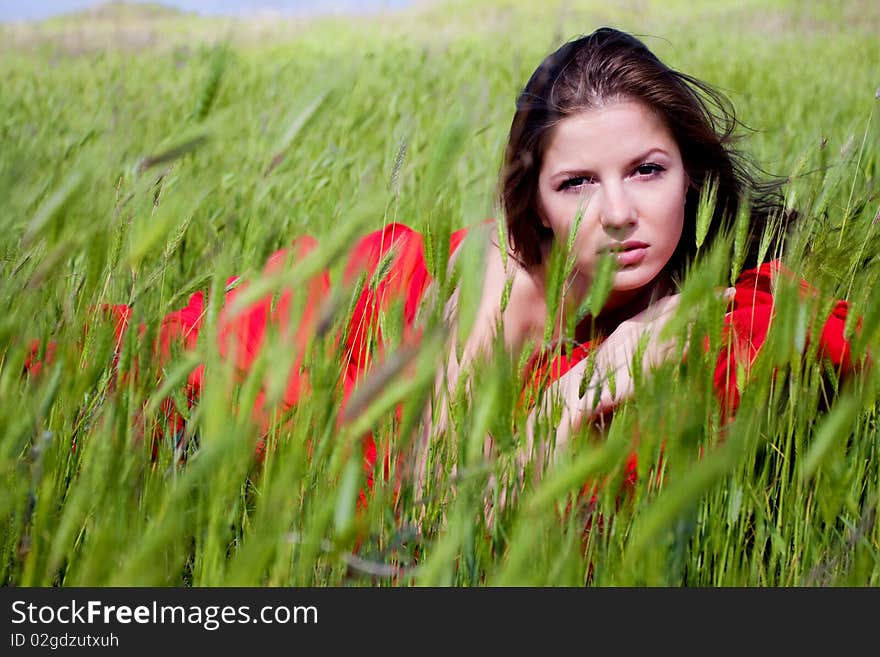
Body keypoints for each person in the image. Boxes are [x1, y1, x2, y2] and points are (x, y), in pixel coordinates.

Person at [24, 27, 856, 506]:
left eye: (646, 169)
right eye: (576, 182)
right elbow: (431, 493)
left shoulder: (711, 280)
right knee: (103, 399)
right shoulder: (507, 277)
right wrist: (597, 376)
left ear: (690, 170)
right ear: (532, 203)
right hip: (325, 346)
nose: (617, 214)